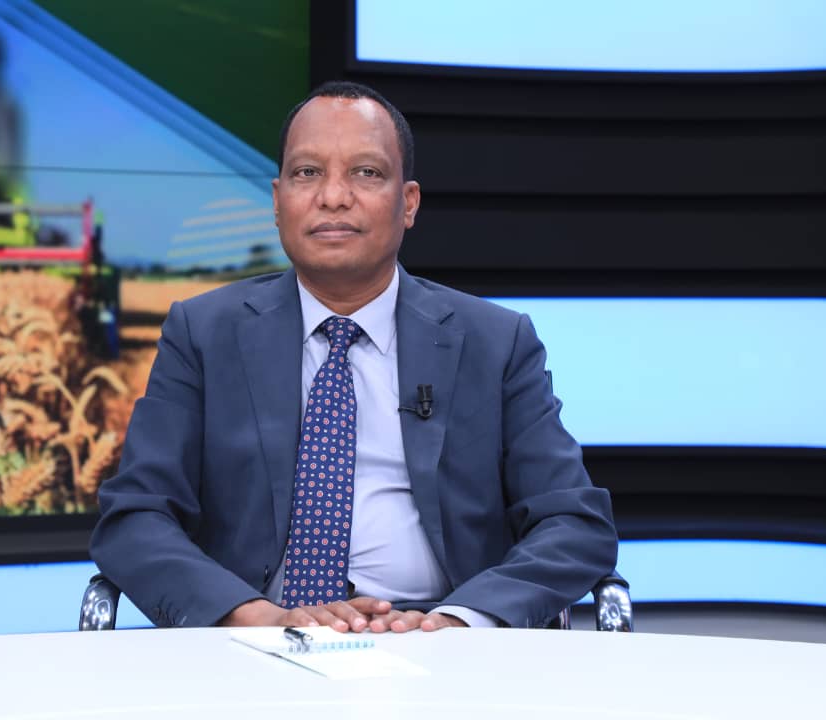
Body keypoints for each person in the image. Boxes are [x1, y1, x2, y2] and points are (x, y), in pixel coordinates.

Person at [91, 81, 617, 633]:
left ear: (408, 203)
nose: (333, 196)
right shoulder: (202, 334)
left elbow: (574, 523)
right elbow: (134, 519)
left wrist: (460, 621)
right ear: (277, 201)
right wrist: (253, 617)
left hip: (439, 642)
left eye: (365, 172)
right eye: (307, 172)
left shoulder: (496, 342)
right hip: (254, 641)